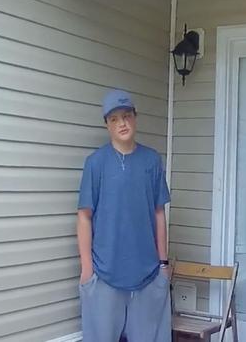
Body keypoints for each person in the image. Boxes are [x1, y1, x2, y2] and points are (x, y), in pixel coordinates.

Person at [76, 89, 172, 342]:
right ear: (107, 124)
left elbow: (159, 212)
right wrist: (87, 267)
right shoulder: (95, 163)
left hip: (149, 274)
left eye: (127, 116)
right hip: (104, 273)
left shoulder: (151, 160)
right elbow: (84, 216)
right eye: (115, 119)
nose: (122, 123)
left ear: (135, 118)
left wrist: (163, 264)